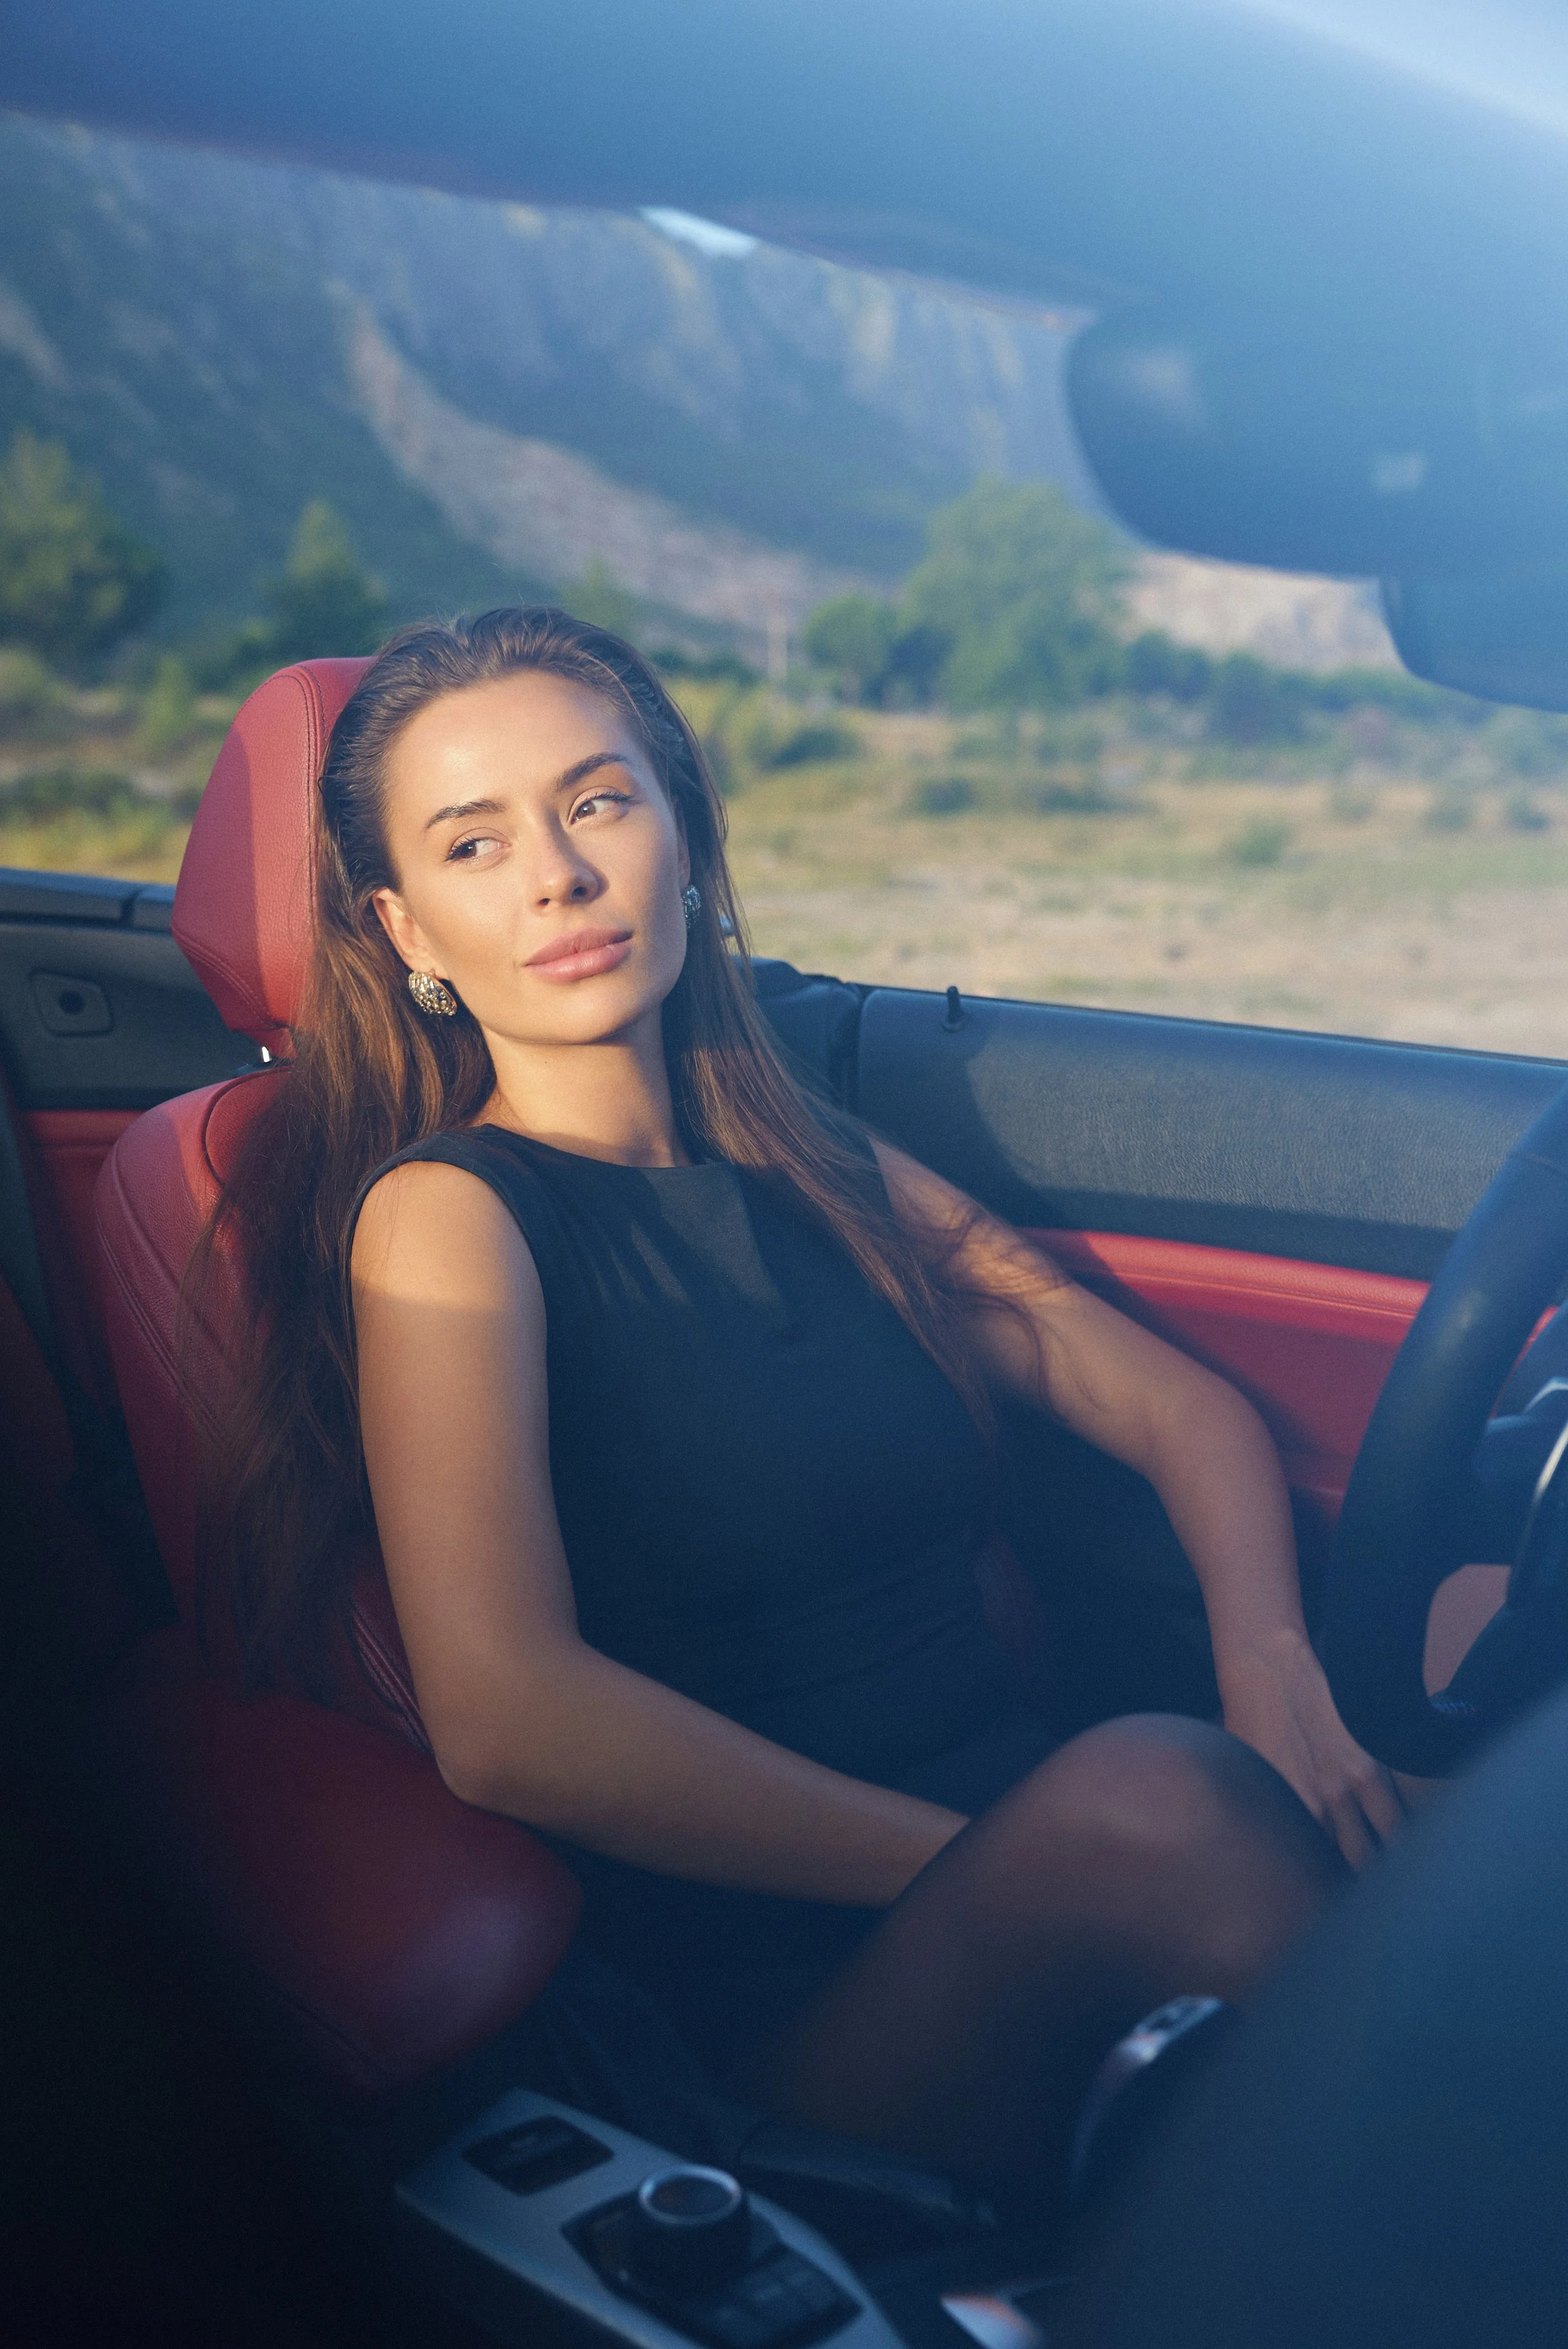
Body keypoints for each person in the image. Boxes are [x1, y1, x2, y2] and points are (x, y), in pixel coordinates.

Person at [203, 607, 1395, 2201]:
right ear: (406, 930)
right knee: (1160, 1799)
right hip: (797, 2002)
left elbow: (1177, 1410)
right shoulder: (448, 1219)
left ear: (682, 837)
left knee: (1460, 1646)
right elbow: (509, 1725)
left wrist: (1272, 1671)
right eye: (474, 843)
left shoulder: (814, 1161)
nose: (556, 872)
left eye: (598, 801)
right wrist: (999, 1865)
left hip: (1058, 1848)